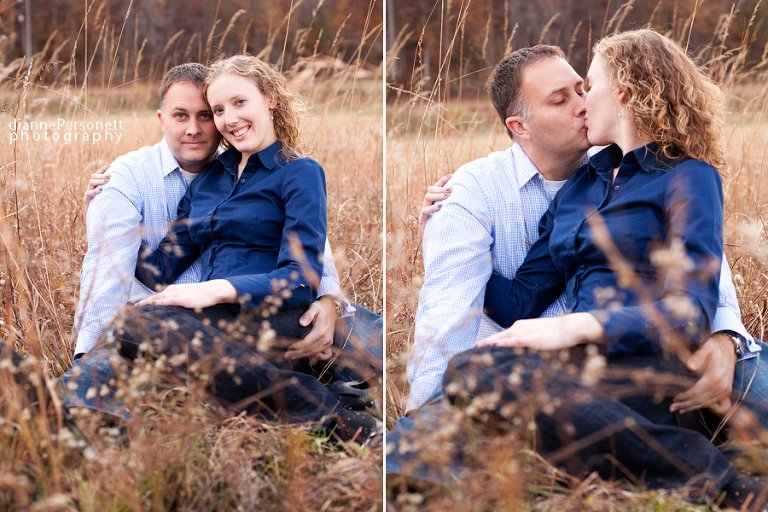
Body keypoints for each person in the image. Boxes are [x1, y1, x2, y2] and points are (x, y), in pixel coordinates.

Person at [440, 30, 767, 505]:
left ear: (625, 95)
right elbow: (518, 301)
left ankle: (724, 486)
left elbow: (690, 311)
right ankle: (698, 469)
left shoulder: (689, 177)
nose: (581, 102)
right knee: (471, 370)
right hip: (589, 372)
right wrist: (457, 223)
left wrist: (580, 325)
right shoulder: (581, 187)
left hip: (657, 364)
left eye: (587, 86)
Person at [63, 63, 382, 418]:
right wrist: (105, 215)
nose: (227, 119)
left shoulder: (299, 172)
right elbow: (157, 270)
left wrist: (219, 289)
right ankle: (325, 403)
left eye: (238, 103)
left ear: (270, 98)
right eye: (219, 110)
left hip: (277, 312)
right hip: (218, 321)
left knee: (366, 329)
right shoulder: (208, 178)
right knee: (134, 326)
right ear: (162, 118)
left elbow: (305, 269)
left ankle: (348, 398)